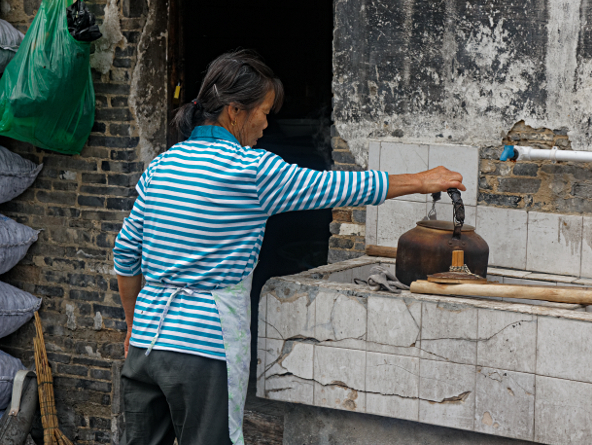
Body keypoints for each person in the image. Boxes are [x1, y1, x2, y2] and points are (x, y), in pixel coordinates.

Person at [113, 50, 465, 445]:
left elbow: (125, 257)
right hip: (203, 346)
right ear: (234, 112)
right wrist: (422, 179)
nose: (266, 123)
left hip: (145, 342)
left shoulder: (161, 167)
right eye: (263, 112)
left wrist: (132, 329)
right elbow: (339, 187)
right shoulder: (251, 170)